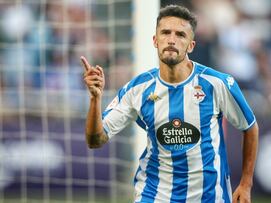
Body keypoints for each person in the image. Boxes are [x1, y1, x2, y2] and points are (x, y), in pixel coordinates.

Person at [81, 5, 259, 203]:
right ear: (155, 41)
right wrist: (95, 99)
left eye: (180, 34)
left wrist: (245, 183)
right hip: (154, 195)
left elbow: (249, 127)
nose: (172, 39)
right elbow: (95, 140)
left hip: (208, 196)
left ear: (191, 45)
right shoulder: (138, 89)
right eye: (165, 32)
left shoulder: (216, 83)